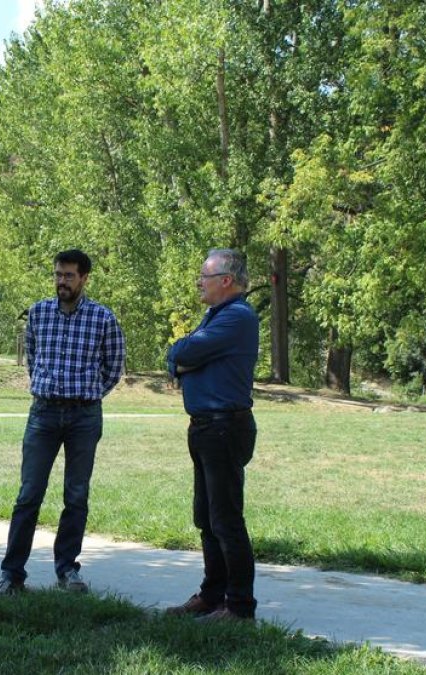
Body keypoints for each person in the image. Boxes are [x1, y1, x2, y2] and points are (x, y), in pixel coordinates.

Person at [0, 249, 126, 595]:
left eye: (69, 276)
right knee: (29, 494)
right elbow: (33, 359)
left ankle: (68, 569)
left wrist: (89, 392)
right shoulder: (38, 313)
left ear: (84, 278)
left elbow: (113, 367)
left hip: (84, 415)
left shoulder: (103, 318)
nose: (61, 282)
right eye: (57, 275)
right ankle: (12, 574)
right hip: (44, 413)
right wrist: (48, 387)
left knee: (76, 495)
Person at [164, 248, 260, 622]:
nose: (198, 284)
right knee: (207, 518)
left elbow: (187, 349)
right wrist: (181, 358)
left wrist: (181, 357)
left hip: (224, 427)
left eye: (204, 277)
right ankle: (212, 595)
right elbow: (183, 355)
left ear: (226, 281)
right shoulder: (215, 316)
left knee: (226, 520)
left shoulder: (237, 317)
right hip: (206, 427)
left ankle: (239, 607)